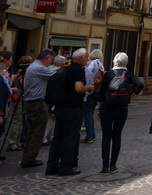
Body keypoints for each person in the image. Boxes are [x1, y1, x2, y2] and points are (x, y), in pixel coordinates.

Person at [47, 48, 94, 176]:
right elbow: (79, 88)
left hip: (60, 107)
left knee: (58, 137)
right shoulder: (78, 70)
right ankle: (66, 166)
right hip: (72, 108)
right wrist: (90, 87)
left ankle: (51, 165)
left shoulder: (66, 68)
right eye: (86, 57)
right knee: (70, 137)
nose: (87, 59)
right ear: (80, 58)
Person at [97, 52, 144, 174]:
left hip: (108, 107)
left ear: (114, 61)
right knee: (117, 136)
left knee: (106, 136)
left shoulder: (109, 74)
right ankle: (113, 165)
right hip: (122, 108)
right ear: (126, 62)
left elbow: (101, 93)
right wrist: (132, 97)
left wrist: (99, 107)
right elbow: (140, 84)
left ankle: (105, 166)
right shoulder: (128, 74)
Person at [20, 49, 56, 168]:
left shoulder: (33, 66)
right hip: (37, 103)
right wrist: (62, 68)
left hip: (32, 102)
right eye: (51, 61)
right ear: (48, 58)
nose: (50, 64)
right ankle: (29, 158)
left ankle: (28, 156)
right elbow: (56, 77)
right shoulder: (39, 68)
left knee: (33, 130)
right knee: (37, 131)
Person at [82, 49, 104, 144]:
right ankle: (92, 135)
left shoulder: (93, 63)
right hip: (97, 91)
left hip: (91, 90)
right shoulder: (101, 64)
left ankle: (90, 136)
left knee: (87, 113)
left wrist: (89, 81)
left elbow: (88, 72)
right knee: (90, 112)